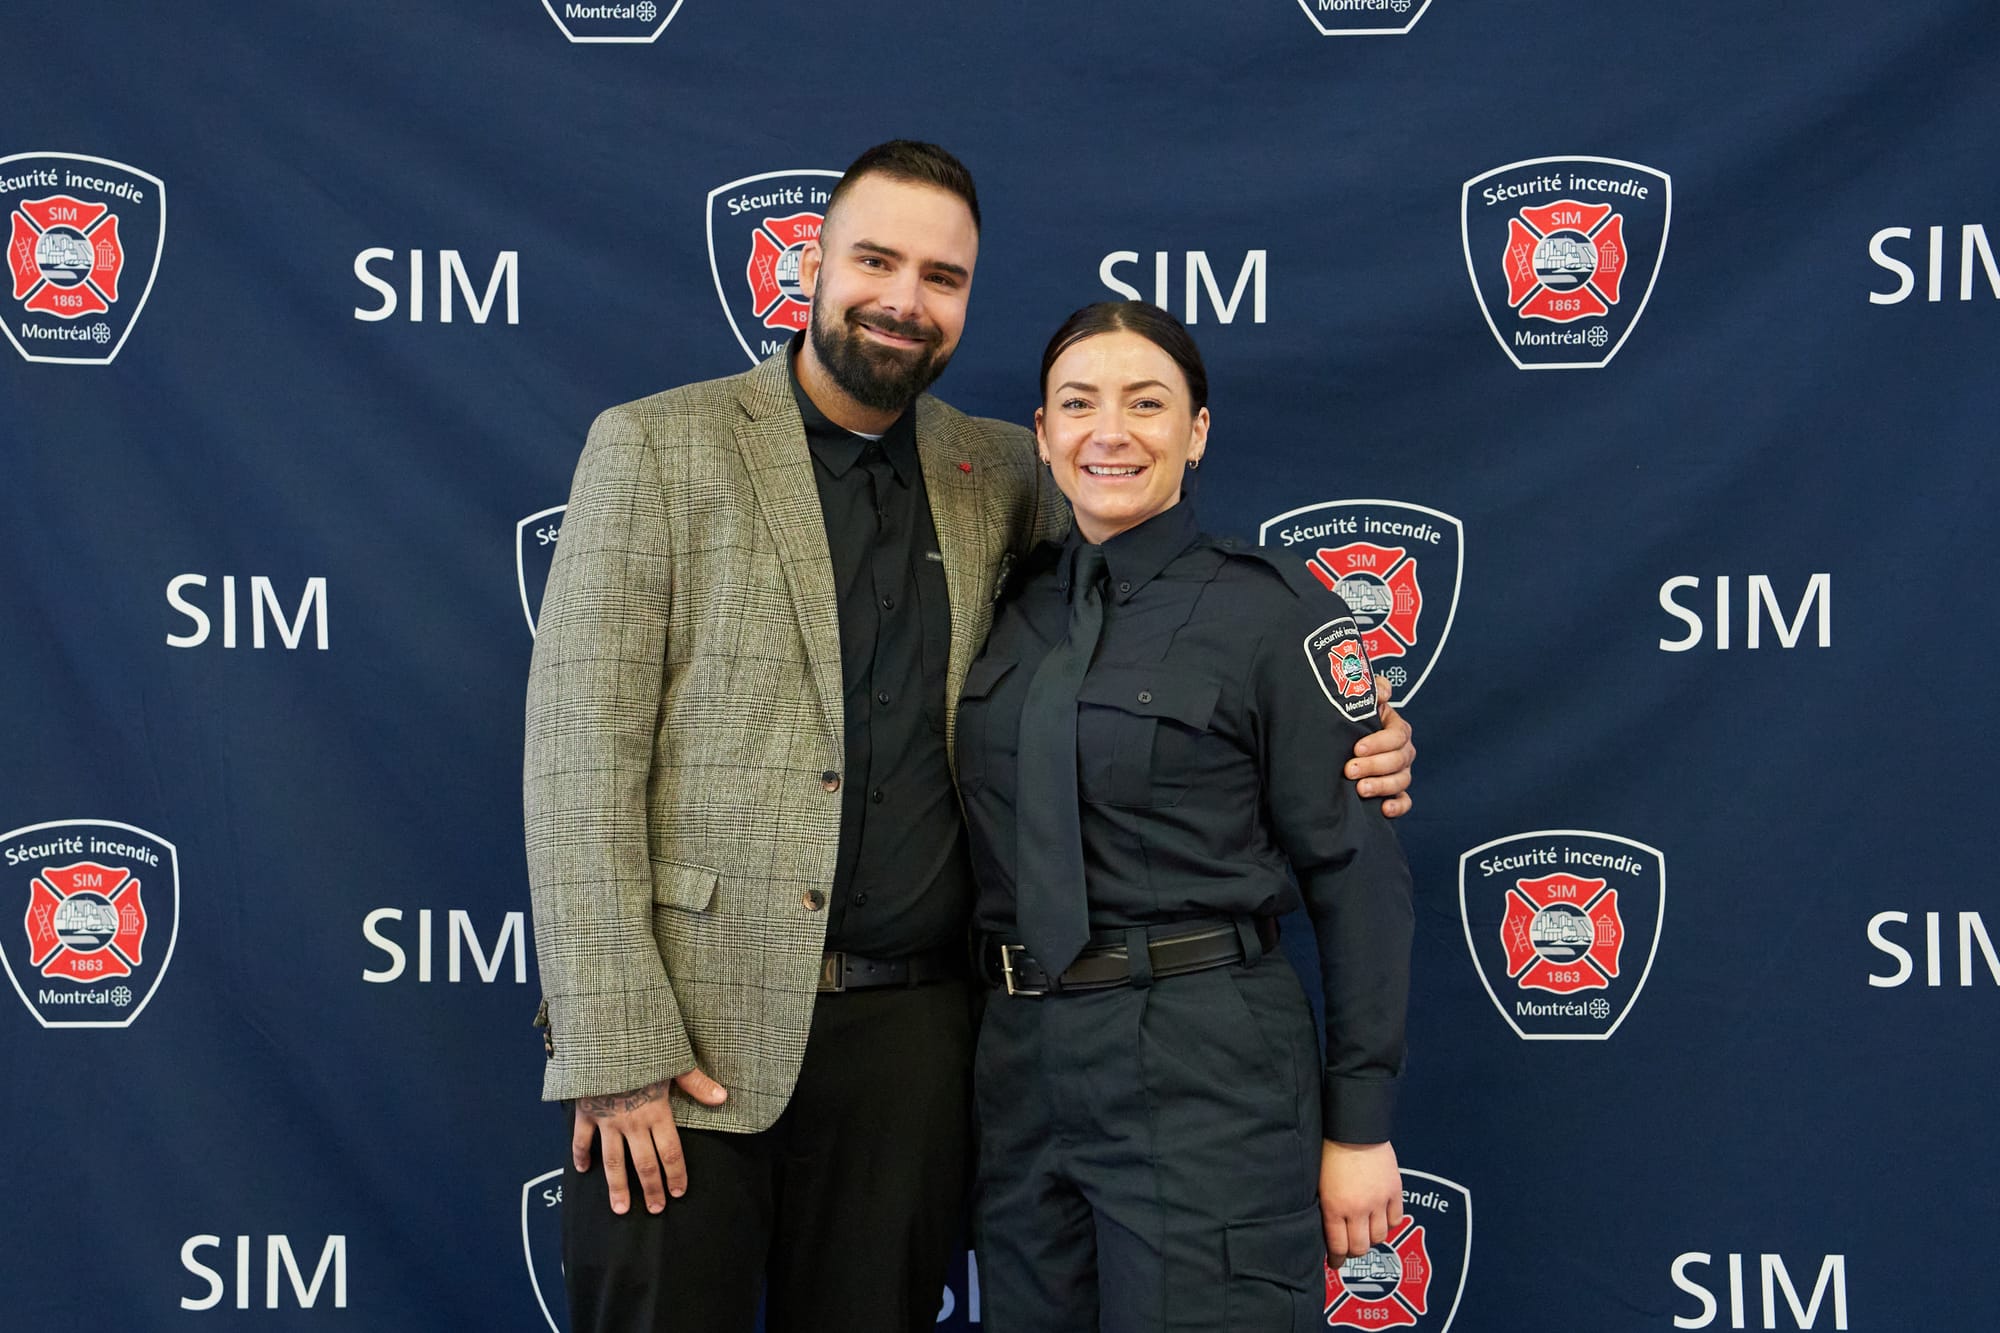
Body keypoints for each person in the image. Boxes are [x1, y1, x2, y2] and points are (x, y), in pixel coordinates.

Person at [523, 143, 1417, 1333]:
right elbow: (575, 759)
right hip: (691, 1039)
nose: (904, 299)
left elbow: (1156, 602)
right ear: (809, 265)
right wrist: (612, 1039)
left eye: (941, 277)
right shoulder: (656, 446)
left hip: (919, 1048)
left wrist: (1354, 724)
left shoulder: (993, 467)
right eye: (875, 261)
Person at [958, 300, 1412, 1332]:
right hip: (1019, 1064)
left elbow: (1357, 875)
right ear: (1042, 434)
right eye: (1078, 404)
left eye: (1146, 403)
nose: (1108, 432)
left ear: (1196, 430)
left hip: (1204, 1061)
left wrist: (1359, 1123)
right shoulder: (1008, 609)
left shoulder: (1274, 610)